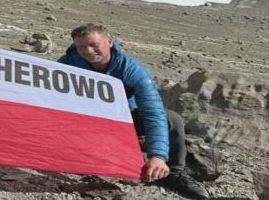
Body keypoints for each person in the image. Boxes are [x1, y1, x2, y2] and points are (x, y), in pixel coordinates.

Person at [59, 24, 209, 199]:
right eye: (81, 47)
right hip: (83, 120)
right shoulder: (68, 63)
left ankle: (172, 172)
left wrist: (158, 156)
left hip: (121, 119)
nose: (88, 51)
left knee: (172, 119)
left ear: (109, 42)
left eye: (94, 45)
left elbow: (153, 112)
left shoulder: (131, 70)